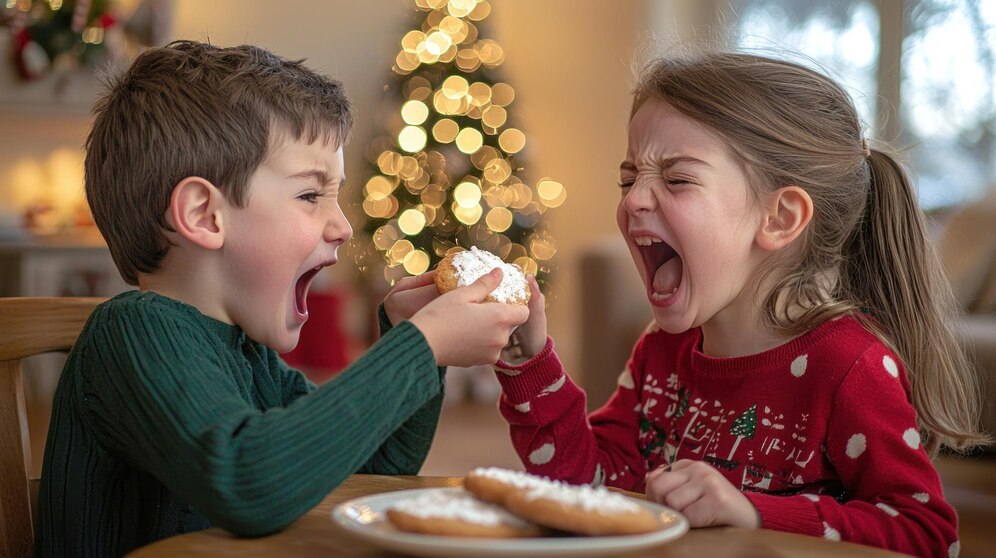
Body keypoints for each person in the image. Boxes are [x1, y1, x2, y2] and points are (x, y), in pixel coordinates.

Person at [34, 40, 528, 557]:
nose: (342, 226)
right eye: (311, 195)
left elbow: (372, 468)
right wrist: (423, 345)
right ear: (204, 215)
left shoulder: (249, 358)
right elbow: (249, 482)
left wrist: (408, 339)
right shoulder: (132, 332)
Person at [493, 51, 989, 556]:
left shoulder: (848, 366)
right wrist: (528, 361)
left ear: (779, 218)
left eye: (677, 178)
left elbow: (927, 534)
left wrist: (753, 511)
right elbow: (589, 483)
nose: (633, 200)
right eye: (628, 179)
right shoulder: (662, 348)